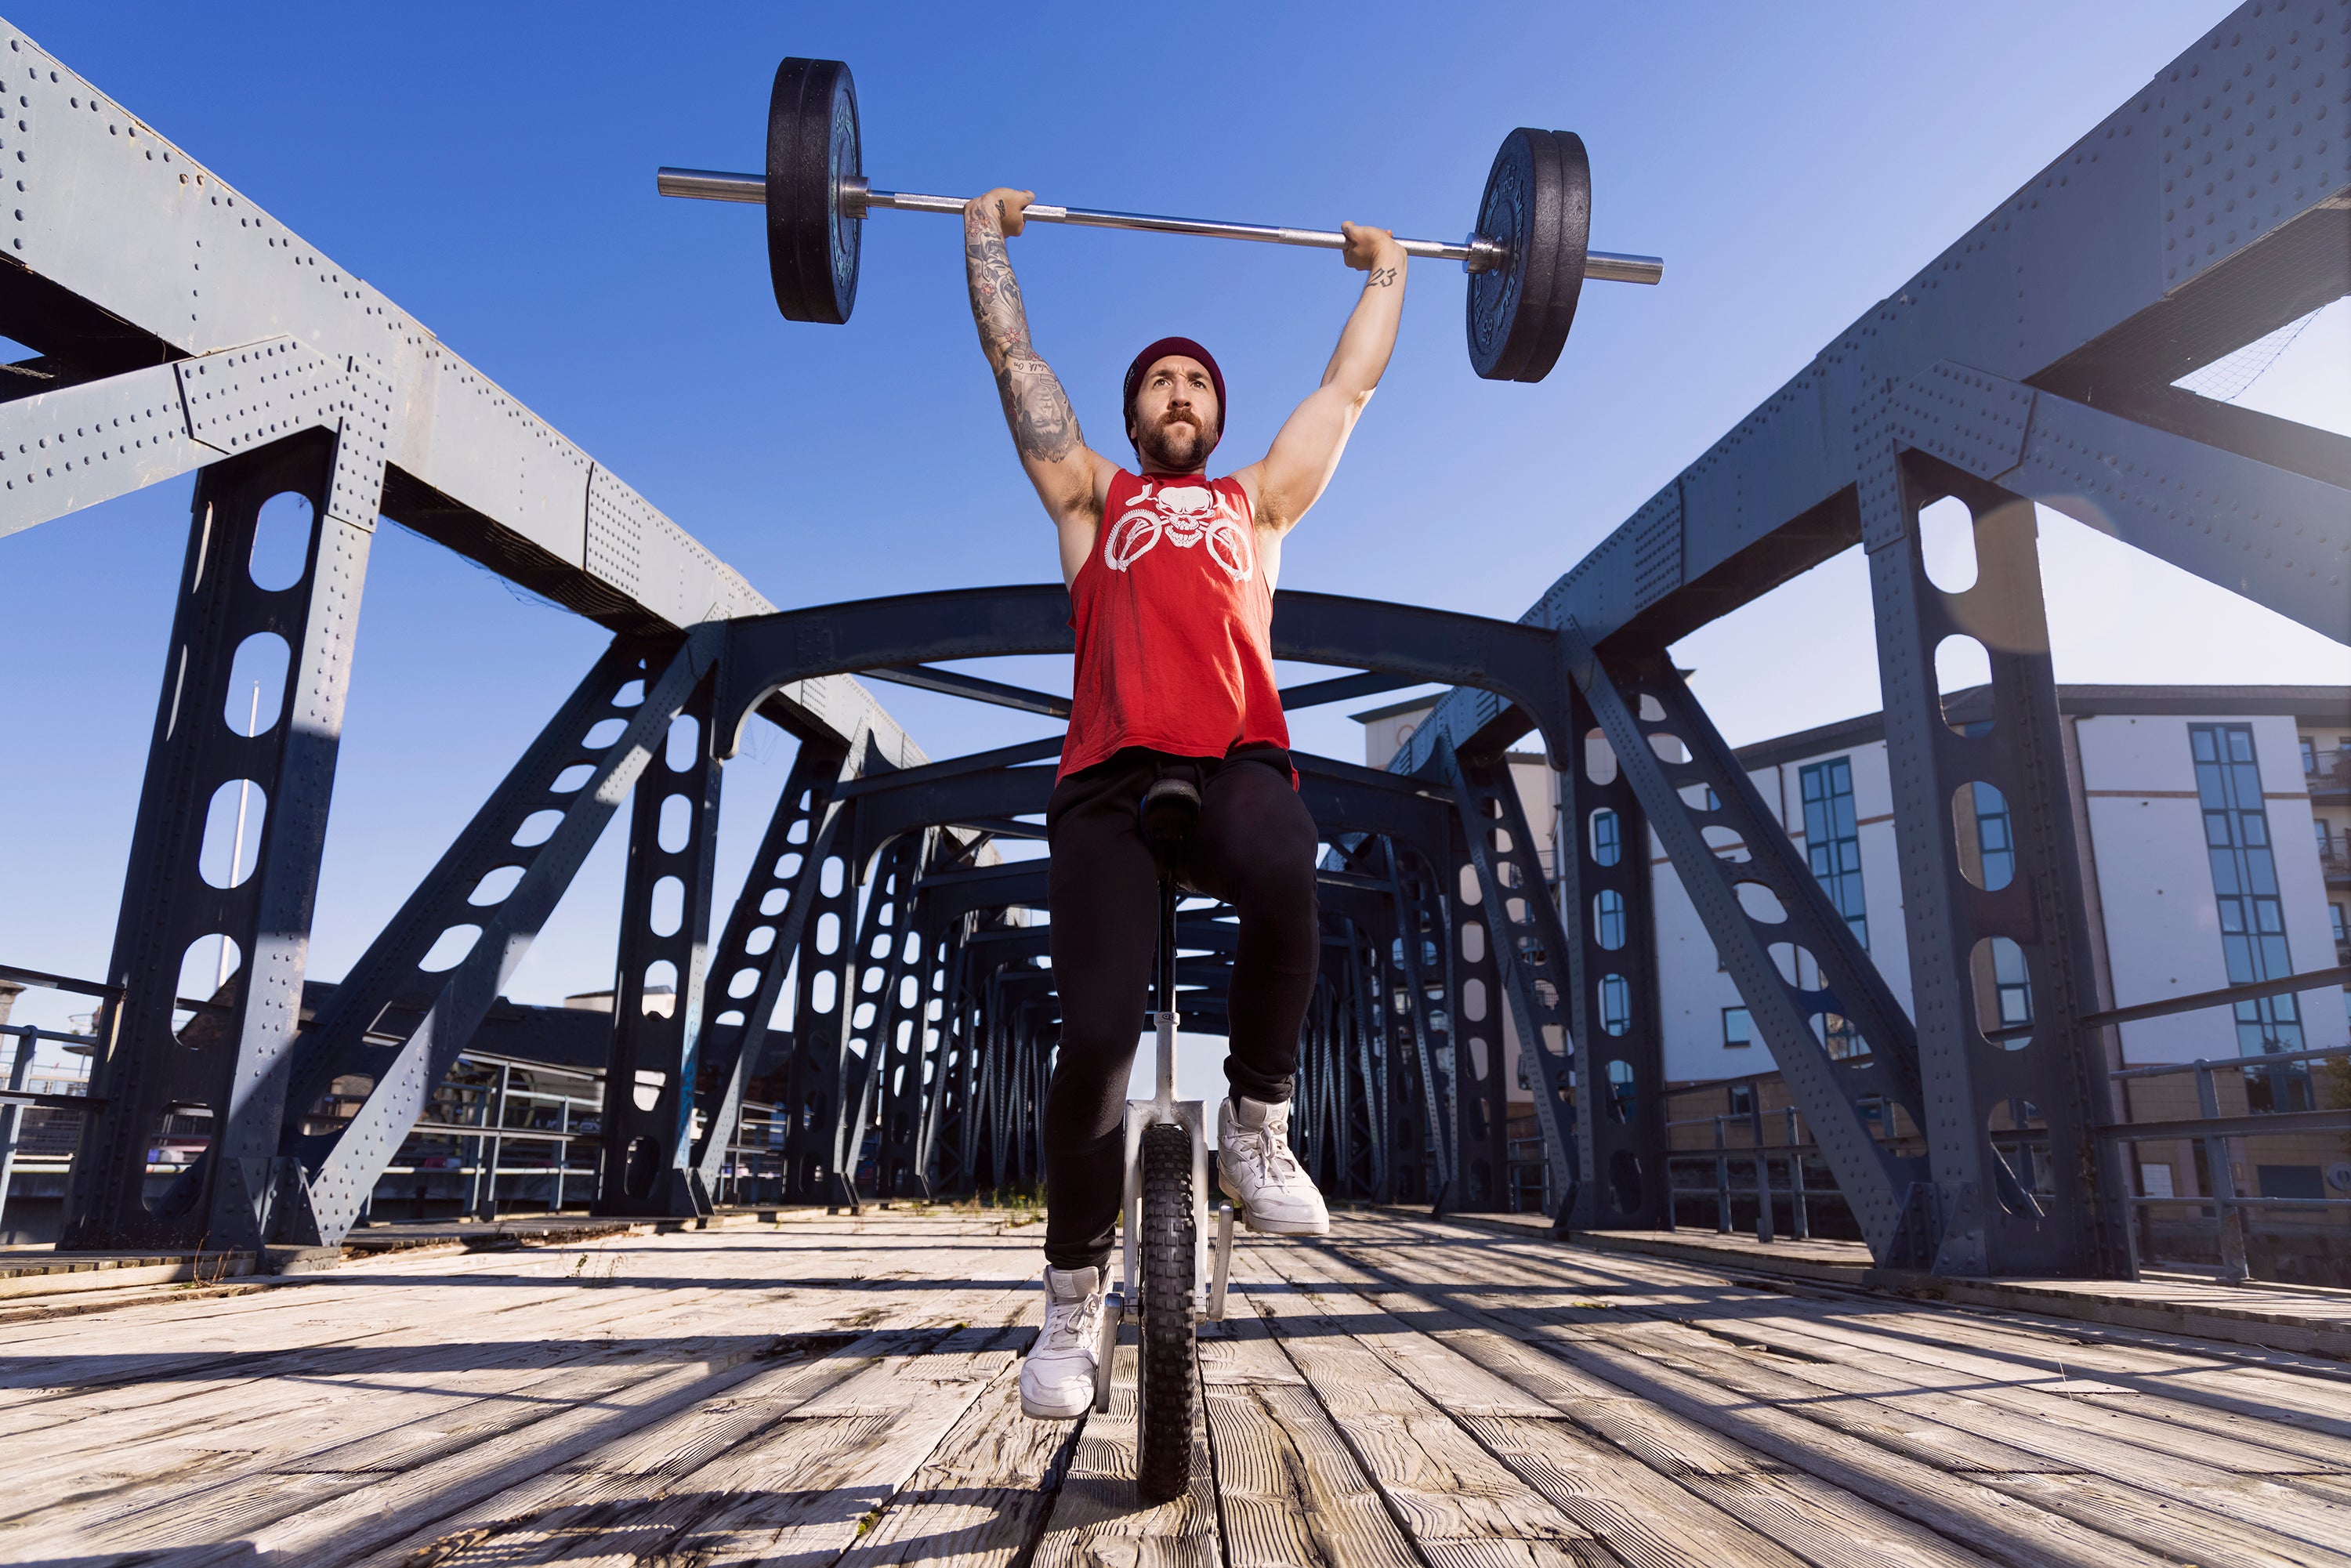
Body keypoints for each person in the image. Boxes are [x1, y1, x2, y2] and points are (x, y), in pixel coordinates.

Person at [960, 186, 1407, 1420]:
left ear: (1217, 413)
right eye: (1158, 382)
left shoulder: (1253, 507)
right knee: (1095, 1037)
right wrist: (982, 244)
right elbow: (1015, 360)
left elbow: (1349, 390)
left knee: (1287, 865)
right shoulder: (1090, 503)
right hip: (1103, 785)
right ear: (1130, 414)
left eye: (1195, 383)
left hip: (1234, 765)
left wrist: (1388, 272)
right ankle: (1067, 1302)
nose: (1178, 394)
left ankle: (1256, 1124)